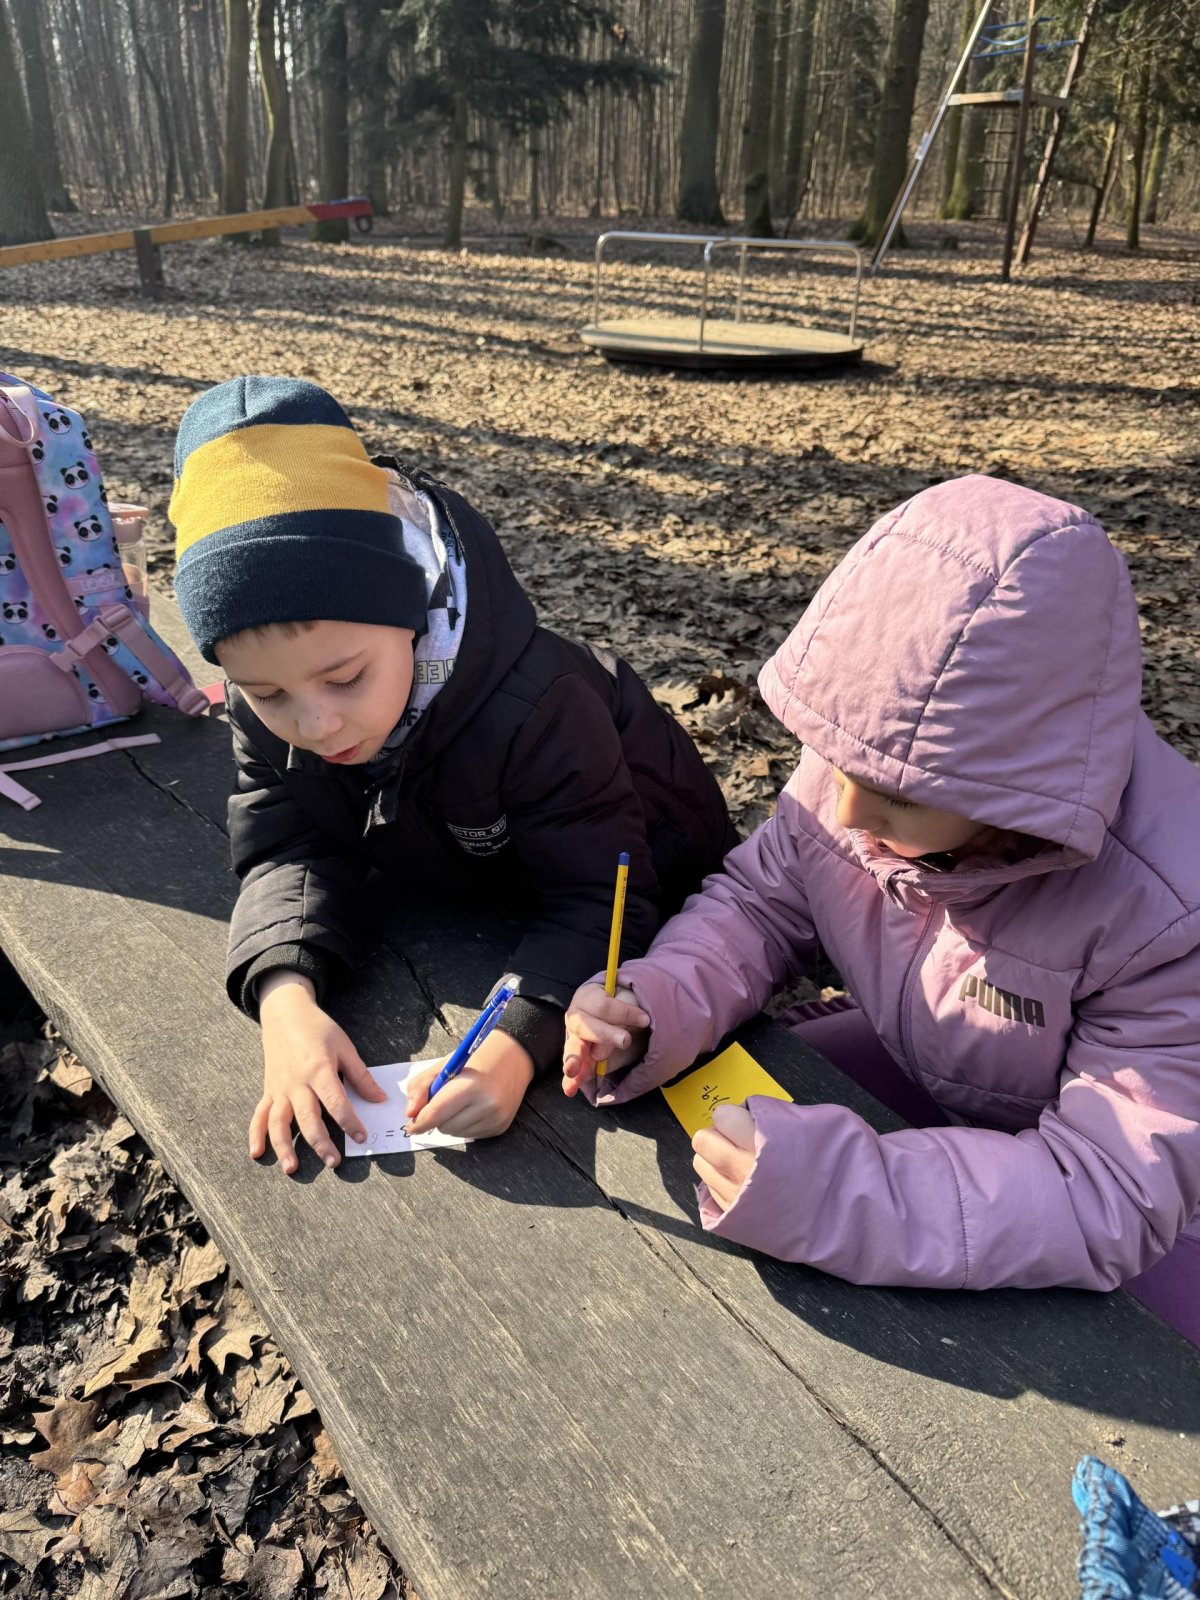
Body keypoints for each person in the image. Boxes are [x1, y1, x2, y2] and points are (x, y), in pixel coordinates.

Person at [563, 474, 1200, 1344]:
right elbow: (758, 904)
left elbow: (1112, 1190)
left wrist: (845, 1193)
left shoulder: (1168, 915)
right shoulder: (860, 764)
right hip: (948, 1073)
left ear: (1017, 786)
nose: (846, 809)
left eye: (897, 793)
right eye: (837, 763)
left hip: (1159, 1201)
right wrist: (654, 1002)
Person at [169, 376, 736, 1175]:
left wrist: (514, 1047)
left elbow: (604, 900)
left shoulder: (539, 705)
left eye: (346, 677)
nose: (316, 724)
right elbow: (287, 844)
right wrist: (285, 1001)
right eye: (267, 694)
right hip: (473, 887)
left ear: (410, 615)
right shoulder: (267, 707)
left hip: (667, 904)